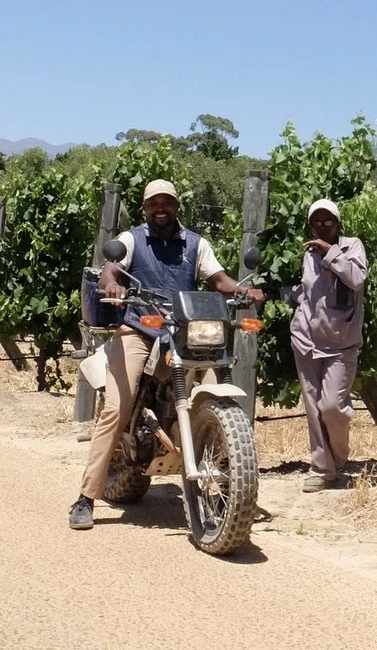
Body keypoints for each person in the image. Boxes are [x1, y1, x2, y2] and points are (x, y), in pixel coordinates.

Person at [69, 179, 265, 530]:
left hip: (182, 329)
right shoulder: (130, 240)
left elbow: (219, 279)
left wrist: (243, 289)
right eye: (153, 203)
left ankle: (229, 484)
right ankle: (85, 497)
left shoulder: (195, 244)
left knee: (211, 388)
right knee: (117, 408)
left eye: (167, 202)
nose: (161, 208)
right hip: (138, 329)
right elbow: (110, 272)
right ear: (145, 209)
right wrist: (111, 285)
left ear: (176, 206)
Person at [288, 199, 368, 493]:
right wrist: (294, 298)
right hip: (306, 339)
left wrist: (329, 252)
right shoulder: (307, 254)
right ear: (310, 225)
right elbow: (310, 290)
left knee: (332, 406)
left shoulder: (352, 247)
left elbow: (357, 278)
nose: (322, 226)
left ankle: (338, 458)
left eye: (328, 221)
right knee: (313, 408)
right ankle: (321, 469)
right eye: (316, 222)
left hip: (341, 343)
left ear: (338, 223)